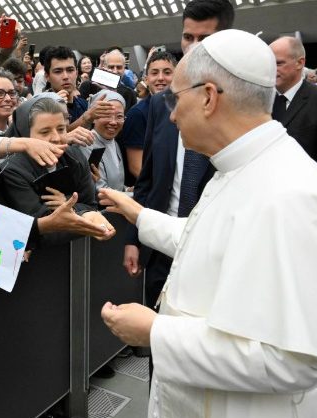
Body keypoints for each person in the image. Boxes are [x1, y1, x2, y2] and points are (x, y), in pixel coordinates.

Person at [99, 29, 317, 418]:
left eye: (176, 98)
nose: (171, 115)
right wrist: (137, 213)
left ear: (208, 97)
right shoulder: (240, 166)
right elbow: (209, 242)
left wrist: (156, 332)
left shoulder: (293, 196)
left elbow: (292, 361)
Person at [122, 0, 232, 315]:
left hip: (214, 252)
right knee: (157, 329)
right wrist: (134, 238)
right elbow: (148, 179)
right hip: (160, 246)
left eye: (204, 39)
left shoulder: (239, 105)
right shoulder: (161, 104)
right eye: (188, 37)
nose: (193, 47)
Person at [1, 95, 113, 245]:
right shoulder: (13, 170)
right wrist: (81, 214)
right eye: (44, 132)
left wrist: (67, 204)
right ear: (26, 135)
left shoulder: (75, 157)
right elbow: (38, 225)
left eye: (61, 129)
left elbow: (90, 205)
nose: (56, 138)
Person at [269, 36, 317, 189]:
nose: (271, 69)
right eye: (269, 64)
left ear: (300, 63)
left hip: (307, 192)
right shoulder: (261, 100)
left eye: (278, 63)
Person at [120, 51, 177, 181]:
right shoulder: (137, 114)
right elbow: (137, 167)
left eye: (167, 72)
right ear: (146, 79)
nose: (160, 78)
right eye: (154, 73)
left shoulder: (184, 108)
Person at [80, 90, 126, 193]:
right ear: (94, 118)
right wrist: (134, 195)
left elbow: (117, 184)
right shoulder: (87, 144)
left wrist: (128, 189)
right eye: (107, 115)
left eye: (119, 116)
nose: (113, 122)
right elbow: (99, 190)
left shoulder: (114, 142)